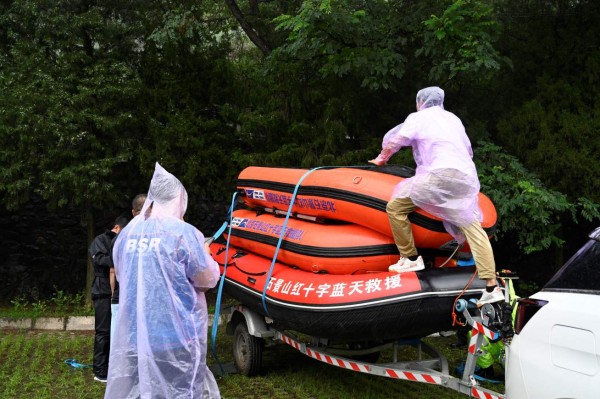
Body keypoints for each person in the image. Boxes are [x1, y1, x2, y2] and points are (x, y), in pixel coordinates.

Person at [369, 86, 503, 305]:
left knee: (396, 207)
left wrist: (382, 159)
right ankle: (491, 286)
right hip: (465, 177)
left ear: (420, 101)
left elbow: (397, 140)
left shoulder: (419, 117)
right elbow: (467, 150)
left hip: (439, 174)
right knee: (473, 228)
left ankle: (410, 258)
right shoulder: (453, 119)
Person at [105, 162, 221, 398]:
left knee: (146, 389)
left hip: (137, 334)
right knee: (177, 390)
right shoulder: (182, 233)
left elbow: (123, 272)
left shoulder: (127, 234)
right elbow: (206, 279)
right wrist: (207, 255)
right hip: (176, 336)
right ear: (178, 200)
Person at [89, 215, 129, 383]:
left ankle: (114, 366)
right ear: (117, 228)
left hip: (119, 292)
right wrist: (117, 259)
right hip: (103, 291)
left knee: (118, 332)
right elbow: (99, 260)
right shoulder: (100, 240)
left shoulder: (123, 240)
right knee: (103, 331)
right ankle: (99, 371)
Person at [109, 194, 146, 348]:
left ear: (132, 212)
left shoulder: (120, 238)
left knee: (120, 344)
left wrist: (113, 295)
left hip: (123, 296)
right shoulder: (155, 235)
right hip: (145, 298)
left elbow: (113, 271)